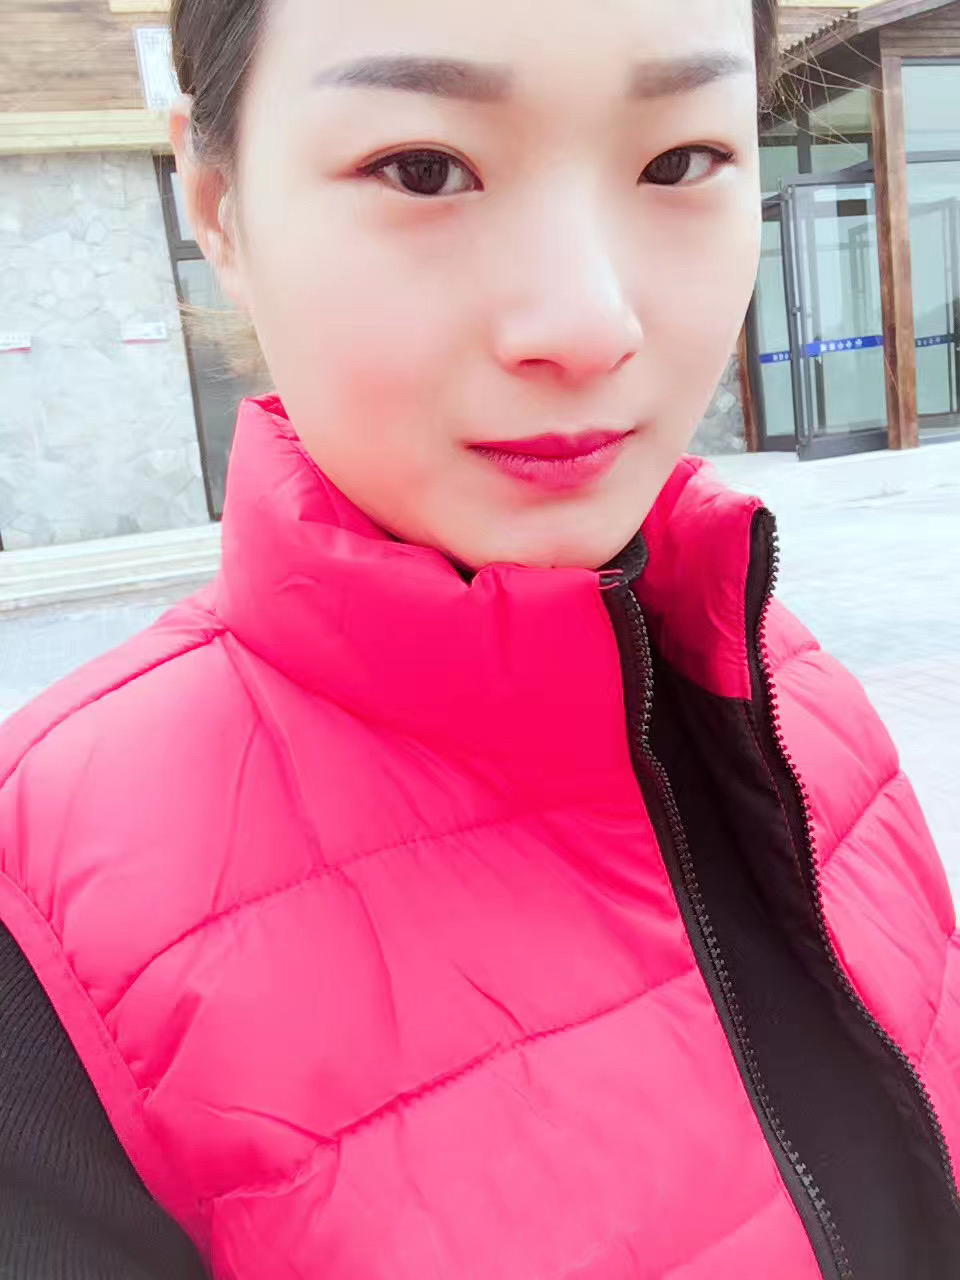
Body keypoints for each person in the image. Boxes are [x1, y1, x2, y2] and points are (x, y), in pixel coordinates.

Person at [0, 0, 959, 1275]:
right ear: (220, 206)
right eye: (423, 168)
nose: (587, 323)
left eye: (681, 160)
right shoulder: (43, 929)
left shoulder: (796, 688)